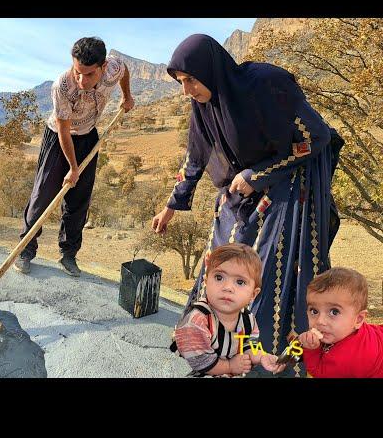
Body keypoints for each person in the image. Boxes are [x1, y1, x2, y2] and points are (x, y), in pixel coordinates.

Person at [152, 34, 344, 374]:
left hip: (291, 180)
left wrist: (258, 173)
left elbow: (316, 137)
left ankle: (269, 356)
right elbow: (195, 157)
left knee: (267, 267)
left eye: (190, 80)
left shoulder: (265, 85)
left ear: (209, 72)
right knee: (223, 251)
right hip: (247, 184)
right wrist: (172, 205)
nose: (186, 90)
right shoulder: (204, 106)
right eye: (181, 82)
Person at [13, 37, 134, 276]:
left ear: (102, 67)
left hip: (88, 136)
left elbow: (126, 71)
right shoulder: (62, 86)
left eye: (88, 74)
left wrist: (126, 96)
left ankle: (68, 254)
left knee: (79, 200)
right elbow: (64, 131)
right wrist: (73, 167)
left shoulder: (114, 67)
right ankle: (25, 250)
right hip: (59, 138)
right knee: (43, 194)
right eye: (77, 72)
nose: (81, 80)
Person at [172, 243, 285, 377]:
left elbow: (248, 346)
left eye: (240, 282)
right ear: (206, 282)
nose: (228, 287)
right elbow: (200, 362)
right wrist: (230, 366)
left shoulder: (247, 320)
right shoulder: (198, 319)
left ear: (253, 295)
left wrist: (262, 357)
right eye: (219, 277)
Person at [298, 267, 383, 378]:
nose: (320, 321)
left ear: (358, 319)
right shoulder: (348, 328)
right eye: (314, 311)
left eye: (334, 312)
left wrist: (311, 349)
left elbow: (319, 372)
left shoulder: (348, 359)